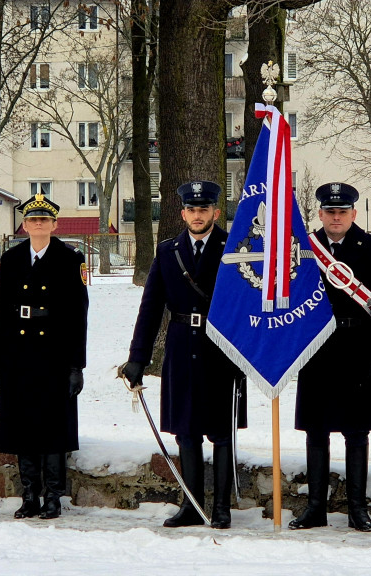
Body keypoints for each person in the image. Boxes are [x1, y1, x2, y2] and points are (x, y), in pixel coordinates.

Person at [122, 181, 247, 530]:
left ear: (215, 212)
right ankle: (192, 505)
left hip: (222, 350)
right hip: (180, 347)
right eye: (191, 209)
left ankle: (222, 507)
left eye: (204, 209)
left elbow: (248, 305)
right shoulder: (168, 251)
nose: (197, 215)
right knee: (186, 432)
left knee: (222, 432)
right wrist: (138, 357)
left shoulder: (235, 248)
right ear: (182, 213)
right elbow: (150, 309)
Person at [288, 183, 371, 532]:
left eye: (343, 211)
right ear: (320, 214)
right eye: (330, 212)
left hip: (358, 348)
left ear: (353, 213)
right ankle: (315, 508)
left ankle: (357, 509)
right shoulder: (303, 249)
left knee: (357, 432)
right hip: (315, 348)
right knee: (316, 431)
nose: (336, 217)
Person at [0, 193, 88, 520]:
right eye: (32, 220)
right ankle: (29, 494)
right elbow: (1, 311)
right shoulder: (12, 259)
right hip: (18, 354)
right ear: (24, 225)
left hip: (54, 354)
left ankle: (53, 497)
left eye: (44, 219)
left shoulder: (69, 259)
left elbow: (78, 317)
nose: (38, 224)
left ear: (55, 224)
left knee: (54, 427)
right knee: (23, 426)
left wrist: (76, 366)